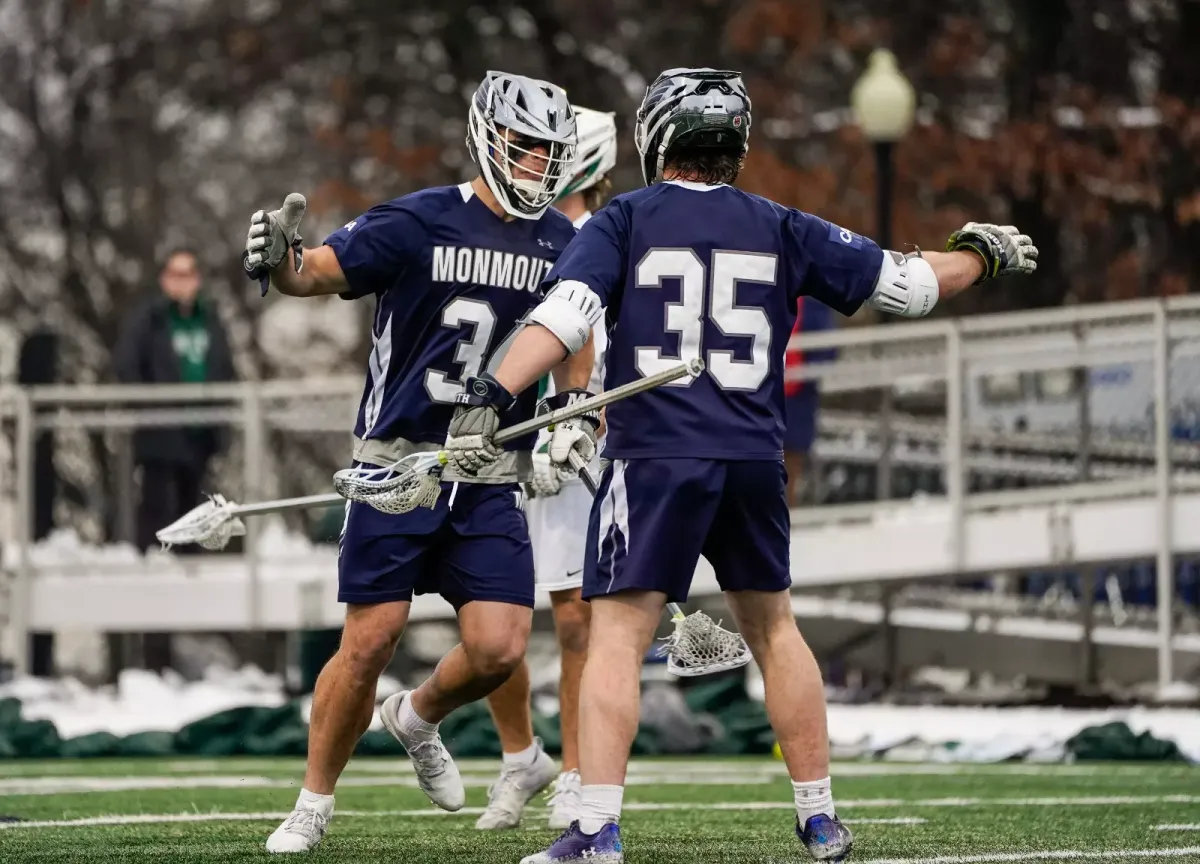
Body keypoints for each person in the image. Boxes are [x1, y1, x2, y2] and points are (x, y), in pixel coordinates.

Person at [441, 67, 1039, 863]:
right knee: (776, 630)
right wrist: (981, 253)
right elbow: (908, 286)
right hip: (754, 454)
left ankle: (596, 829)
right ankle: (819, 816)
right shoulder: (780, 223)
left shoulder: (624, 218)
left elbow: (566, 313)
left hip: (655, 457)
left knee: (617, 637)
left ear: (661, 136)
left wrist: (492, 392)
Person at [241, 70, 587, 855]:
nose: (538, 165)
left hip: (490, 472)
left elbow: (579, 330)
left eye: (549, 152)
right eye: (526, 148)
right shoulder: (422, 219)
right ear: (489, 139)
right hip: (399, 464)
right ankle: (311, 805)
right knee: (368, 641)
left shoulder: (563, 241)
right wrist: (280, 258)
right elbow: (317, 271)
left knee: (500, 648)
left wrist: (579, 412)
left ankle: (419, 716)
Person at [476, 106, 618, 832]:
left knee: (573, 619)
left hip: (569, 441)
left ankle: (572, 773)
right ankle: (517, 756)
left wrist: (579, 411)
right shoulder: (511, 228)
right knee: (490, 615)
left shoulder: (603, 232)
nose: (534, 163)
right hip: (501, 437)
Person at [113, 248, 235, 675]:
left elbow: (226, 369)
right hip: (161, 441)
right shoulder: (148, 320)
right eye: (175, 273)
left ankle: (195, 654)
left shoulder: (211, 319)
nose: (183, 281)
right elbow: (127, 369)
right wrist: (150, 416)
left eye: (189, 273)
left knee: (199, 528)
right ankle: (155, 663)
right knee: (160, 526)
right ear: (164, 278)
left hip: (200, 439)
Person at [783, 296, 836, 507]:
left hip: (796, 395)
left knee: (789, 469)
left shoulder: (812, 300)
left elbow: (826, 349)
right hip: (765, 394)